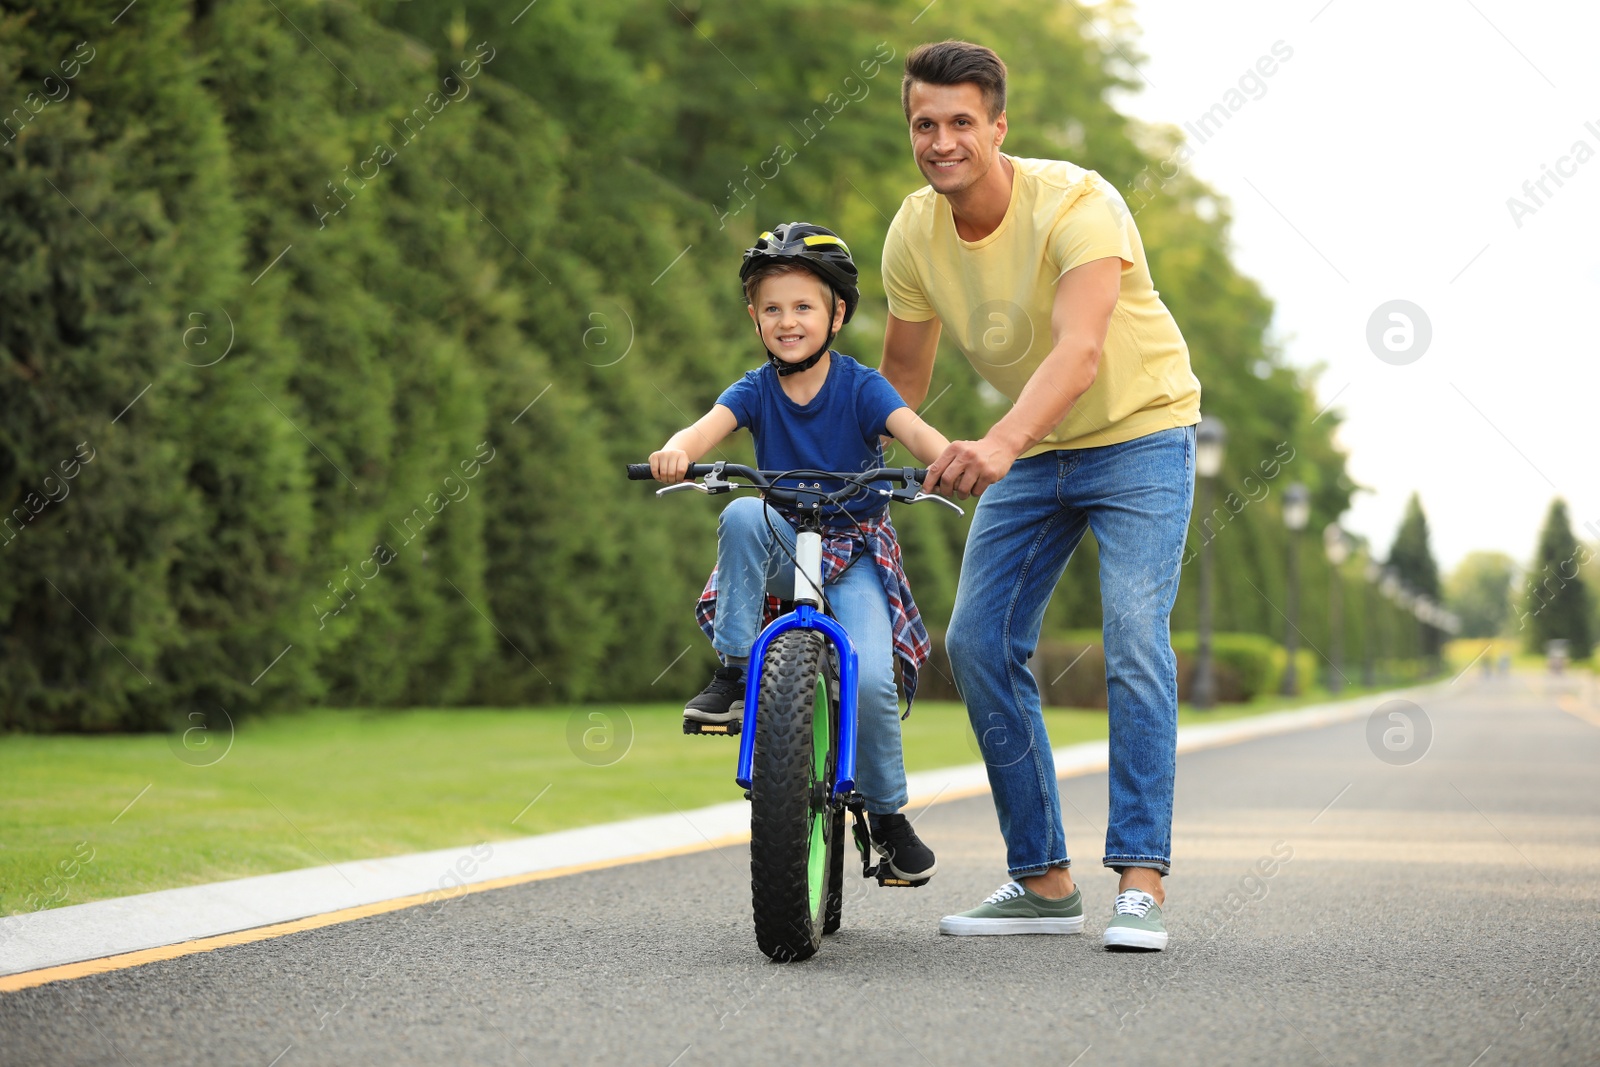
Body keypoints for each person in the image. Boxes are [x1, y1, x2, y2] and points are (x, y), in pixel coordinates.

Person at [878, 41, 1202, 950]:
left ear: (998, 127)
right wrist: (843, 462)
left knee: (1135, 637)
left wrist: (998, 442)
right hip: (1032, 446)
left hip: (1141, 432)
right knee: (979, 641)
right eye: (924, 124)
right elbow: (900, 379)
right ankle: (1044, 878)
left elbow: (1080, 349)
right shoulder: (913, 230)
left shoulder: (1078, 202)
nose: (941, 141)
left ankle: (1140, 880)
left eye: (960, 124)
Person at [650, 222, 952, 883]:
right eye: (772, 308)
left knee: (870, 677)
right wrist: (678, 452)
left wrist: (950, 462)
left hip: (859, 550)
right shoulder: (756, 389)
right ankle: (733, 672)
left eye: (803, 306)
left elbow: (918, 433)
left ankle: (890, 817)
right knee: (738, 512)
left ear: (837, 313)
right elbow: (702, 430)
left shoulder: (862, 387)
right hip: (786, 540)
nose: (787, 321)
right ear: (755, 317)